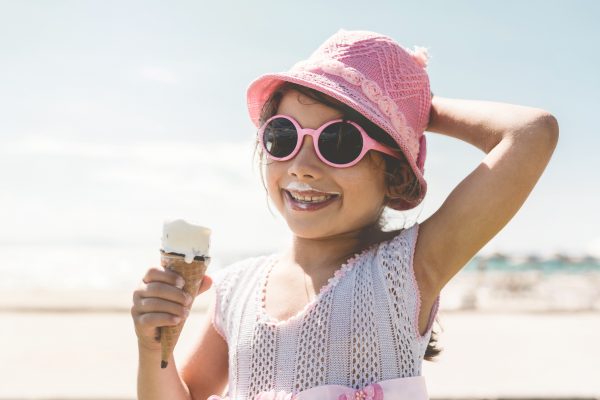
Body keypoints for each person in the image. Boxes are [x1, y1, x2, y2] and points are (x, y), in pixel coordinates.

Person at [131, 29, 559, 400]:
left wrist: (414, 107)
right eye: (282, 137)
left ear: (394, 174)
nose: (301, 164)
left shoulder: (405, 271)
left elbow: (531, 134)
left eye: (338, 142)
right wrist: (155, 350)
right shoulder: (236, 290)